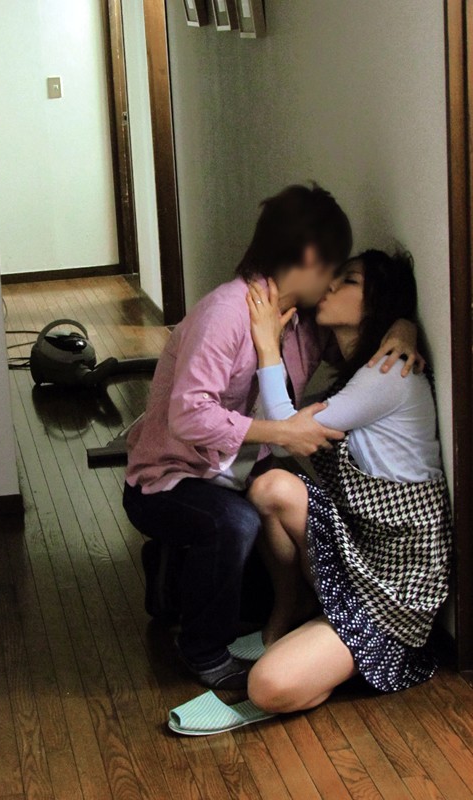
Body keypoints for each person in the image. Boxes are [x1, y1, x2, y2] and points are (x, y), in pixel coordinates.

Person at [123, 185, 422, 690]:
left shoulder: (307, 322)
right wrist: (280, 431)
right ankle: (202, 652)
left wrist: (403, 326)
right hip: (170, 480)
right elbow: (188, 416)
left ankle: (170, 573)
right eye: (333, 268)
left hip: (236, 477)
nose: (332, 283)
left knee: (259, 565)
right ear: (308, 259)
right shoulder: (225, 313)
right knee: (234, 524)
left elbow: (359, 339)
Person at [238, 250, 451, 713]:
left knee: (267, 687)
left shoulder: (388, 373)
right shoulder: (365, 372)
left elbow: (286, 431)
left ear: (378, 304)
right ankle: (292, 610)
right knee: (271, 486)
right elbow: (289, 435)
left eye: (349, 281)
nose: (331, 286)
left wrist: (267, 344)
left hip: (397, 587)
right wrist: (404, 326)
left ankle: (348, 651)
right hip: (361, 549)